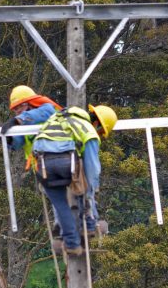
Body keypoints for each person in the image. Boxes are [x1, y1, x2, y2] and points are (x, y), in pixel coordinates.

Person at [30, 103, 118, 255]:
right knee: (83, 185)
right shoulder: (88, 128)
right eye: (101, 132)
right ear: (97, 123)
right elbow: (92, 168)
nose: (99, 135)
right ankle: (89, 226)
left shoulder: (56, 118)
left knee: (60, 205)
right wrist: (92, 190)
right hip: (65, 162)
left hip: (42, 164)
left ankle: (72, 244)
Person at [0, 85, 62, 166]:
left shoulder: (47, 109)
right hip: (40, 167)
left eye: (21, 105)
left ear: (31, 103)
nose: (18, 110)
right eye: (15, 108)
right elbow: (18, 143)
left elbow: (40, 113)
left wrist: (17, 120)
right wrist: (9, 138)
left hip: (59, 161)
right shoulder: (23, 123)